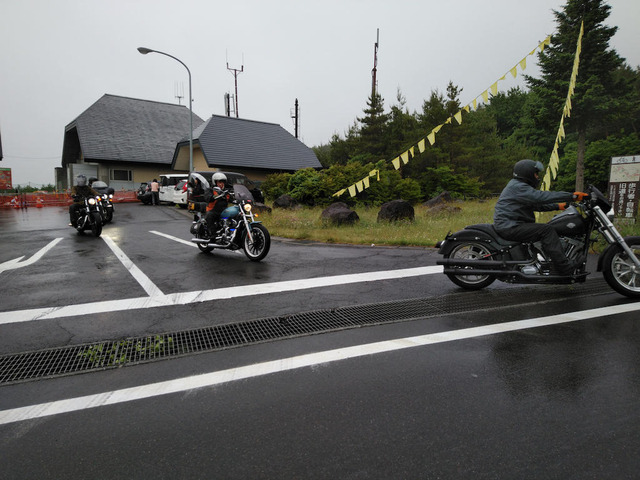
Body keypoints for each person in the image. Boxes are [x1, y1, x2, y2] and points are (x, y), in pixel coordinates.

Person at [493, 159, 588, 276]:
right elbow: (541, 197)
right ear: (527, 173)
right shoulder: (519, 187)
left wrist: (558, 206)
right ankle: (564, 267)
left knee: (546, 228)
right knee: (547, 230)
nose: (537, 177)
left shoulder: (517, 186)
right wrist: (572, 196)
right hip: (510, 226)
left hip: (511, 224)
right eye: (536, 173)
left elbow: (536, 205)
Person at [204, 172, 230, 237]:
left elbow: (233, 197)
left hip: (224, 211)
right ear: (215, 182)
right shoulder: (210, 190)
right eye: (219, 182)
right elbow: (208, 197)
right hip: (213, 210)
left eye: (222, 182)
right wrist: (214, 196)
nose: (221, 184)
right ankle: (212, 235)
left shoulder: (226, 191)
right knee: (210, 216)